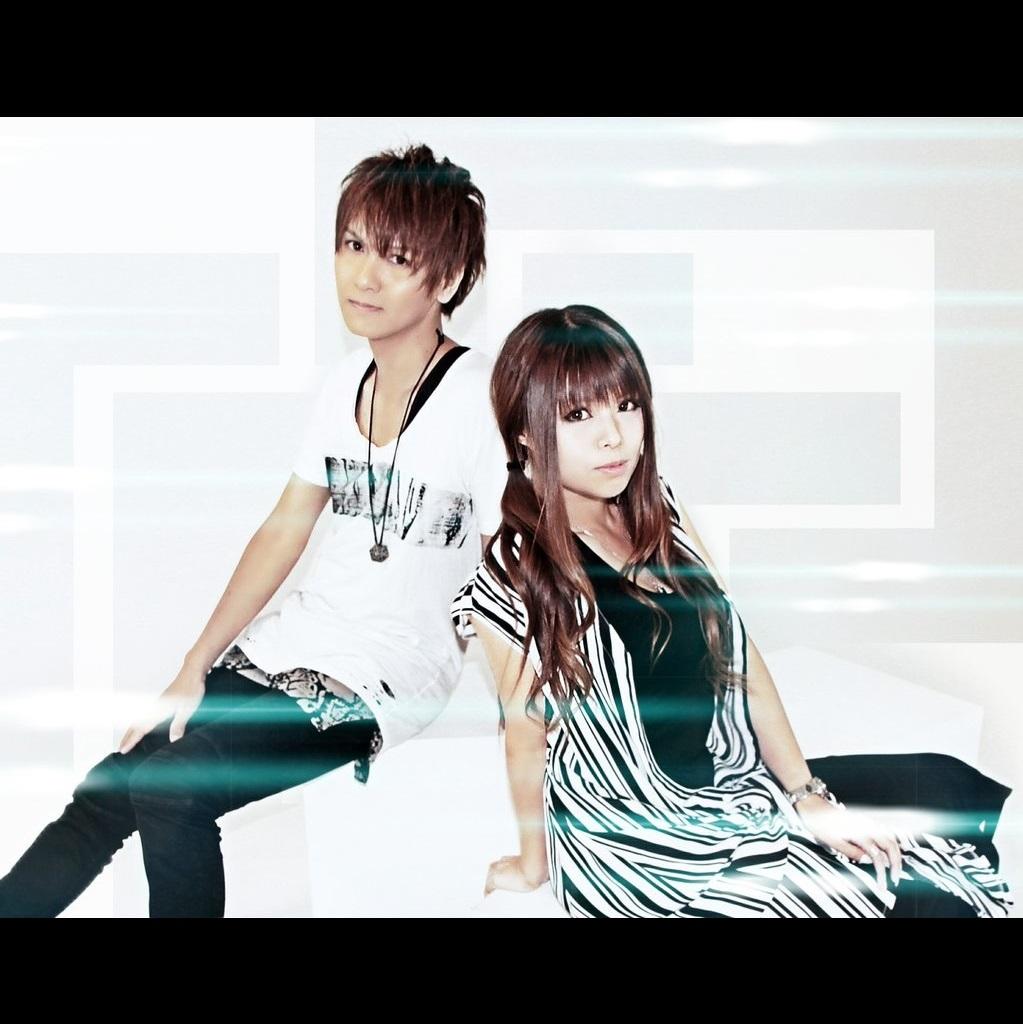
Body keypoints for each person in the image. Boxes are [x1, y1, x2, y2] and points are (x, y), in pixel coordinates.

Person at [0, 142, 508, 918]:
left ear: (447, 279)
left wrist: (530, 721)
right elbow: (284, 527)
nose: (363, 276)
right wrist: (193, 666)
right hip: (296, 645)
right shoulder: (346, 382)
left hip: (383, 675)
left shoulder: (480, 398)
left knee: (174, 790)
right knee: (114, 785)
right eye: (353, 245)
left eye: (397, 258)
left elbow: (513, 565)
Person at [450, 304, 1015, 918]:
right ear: (525, 431)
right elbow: (525, 738)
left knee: (940, 786)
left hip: (724, 772)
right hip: (640, 836)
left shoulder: (659, 511)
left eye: (627, 405)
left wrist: (805, 793)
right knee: (922, 901)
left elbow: (737, 651)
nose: (613, 435)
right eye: (578, 415)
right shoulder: (512, 575)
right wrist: (532, 866)